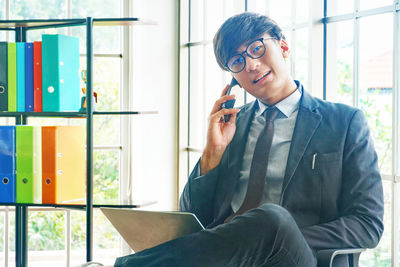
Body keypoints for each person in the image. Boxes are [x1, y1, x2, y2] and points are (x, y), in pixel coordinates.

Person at [114, 12, 384, 267]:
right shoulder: (232, 124)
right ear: (234, 79)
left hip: (294, 258)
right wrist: (212, 154)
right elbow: (193, 217)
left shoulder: (344, 122)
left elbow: (367, 223)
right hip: (228, 259)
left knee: (273, 219)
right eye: (237, 62)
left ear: (284, 47)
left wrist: (275, 238)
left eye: (257, 49)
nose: (252, 65)